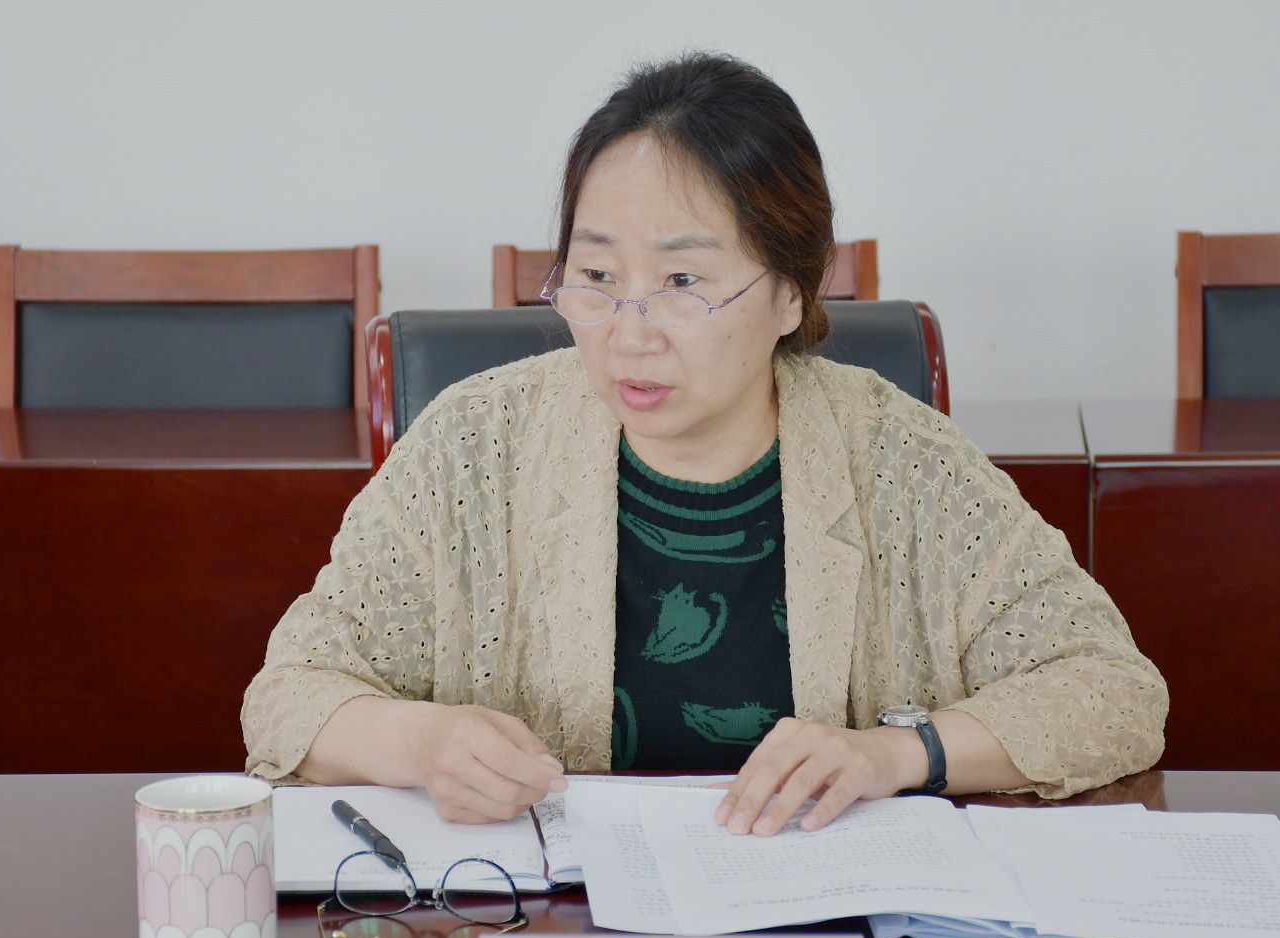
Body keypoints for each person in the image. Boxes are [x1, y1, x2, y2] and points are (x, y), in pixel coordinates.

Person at [242, 53, 1167, 836]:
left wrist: (895, 754)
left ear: (792, 290)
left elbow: (1111, 691)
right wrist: (420, 743)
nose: (628, 332)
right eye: (595, 275)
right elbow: (288, 695)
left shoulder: (900, 459)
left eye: (682, 282)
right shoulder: (473, 446)